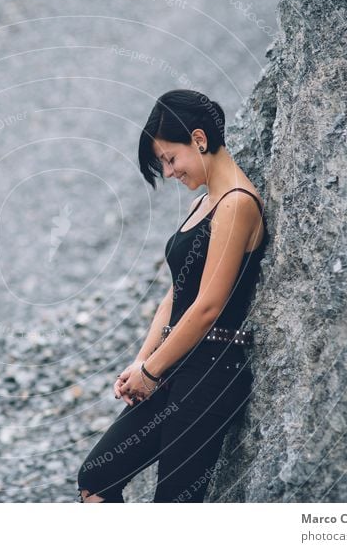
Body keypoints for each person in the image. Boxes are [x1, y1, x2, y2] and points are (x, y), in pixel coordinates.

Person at [77, 89, 269, 503]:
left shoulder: (237, 204)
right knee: (96, 476)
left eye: (169, 159)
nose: (168, 173)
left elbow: (207, 308)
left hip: (212, 374)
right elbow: (176, 295)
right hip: (177, 365)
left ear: (199, 140)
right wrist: (143, 362)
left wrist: (151, 372)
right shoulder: (205, 203)